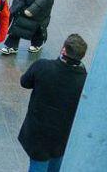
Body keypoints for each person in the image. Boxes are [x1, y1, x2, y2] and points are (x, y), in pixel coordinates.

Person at [17, 34, 88, 172]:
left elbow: (24, 82)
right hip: (62, 136)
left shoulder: (43, 66)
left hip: (39, 133)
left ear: (63, 50)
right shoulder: (84, 80)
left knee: (38, 165)